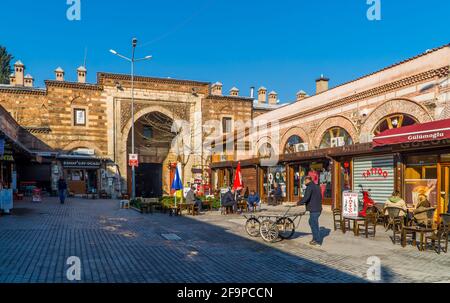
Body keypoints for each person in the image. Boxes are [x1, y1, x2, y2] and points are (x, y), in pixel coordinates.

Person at [297, 176, 323, 246]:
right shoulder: (317, 186)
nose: (304, 183)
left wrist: (298, 203)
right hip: (318, 208)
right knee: (311, 222)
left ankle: (318, 241)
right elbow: (320, 197)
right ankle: (315, 238)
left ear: (308, 180)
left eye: (304, 181)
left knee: (314, 224)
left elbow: (306, 197)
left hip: (314, 209)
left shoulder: (309, 187)